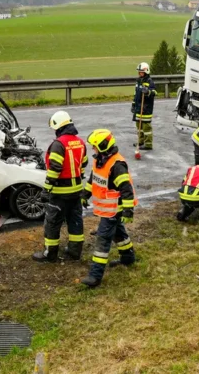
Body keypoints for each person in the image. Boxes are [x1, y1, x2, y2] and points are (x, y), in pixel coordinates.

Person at [80, 129, 137, 287]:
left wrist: (127, 211)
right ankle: (128, 258)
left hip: (114, 209)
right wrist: (85, 194)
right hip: (108, 209)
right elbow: (94, 180)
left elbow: (126, 189)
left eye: (95, 146)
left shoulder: (117, 165)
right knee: (118, 232)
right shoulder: (100, 160)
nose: (93, 149)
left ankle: (95, 276)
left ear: (103, 146)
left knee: (103, 240)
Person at [32, 111, 88, 263]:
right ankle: (75, 251)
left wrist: (46, 190)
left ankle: (50, 254)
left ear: (58, 126)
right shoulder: (80, 142)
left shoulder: (58, 144)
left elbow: (55, 169)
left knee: (52, 223)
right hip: (76, 192)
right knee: (75, 221)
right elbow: (83, 165)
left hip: (59, 194)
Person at [132, 62, 155, 150]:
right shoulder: (138, 81)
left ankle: (148, 144)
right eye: (139, 72)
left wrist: (148, 92)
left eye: (141, 72)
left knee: (146, 127)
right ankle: (140, 141)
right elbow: (135, 93)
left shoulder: (150, 81)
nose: (139, 73)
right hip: (138, 107)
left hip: (146, 107)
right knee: (139, 126)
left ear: (146, 72)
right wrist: (133, 104)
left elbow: (154, 92)